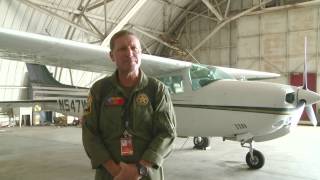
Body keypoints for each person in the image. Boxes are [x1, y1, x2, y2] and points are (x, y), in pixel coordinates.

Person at [82, 30, 176, 180]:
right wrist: (116, 172)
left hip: (147, 175)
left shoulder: (156, 89)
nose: (129, 53)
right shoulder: (100, 89)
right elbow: (90, 133)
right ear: (112, 56)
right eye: (122, 49)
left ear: (141, 53)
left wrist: (139, 170)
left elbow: (166, 133)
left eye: (134, 48)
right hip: (110, 175)